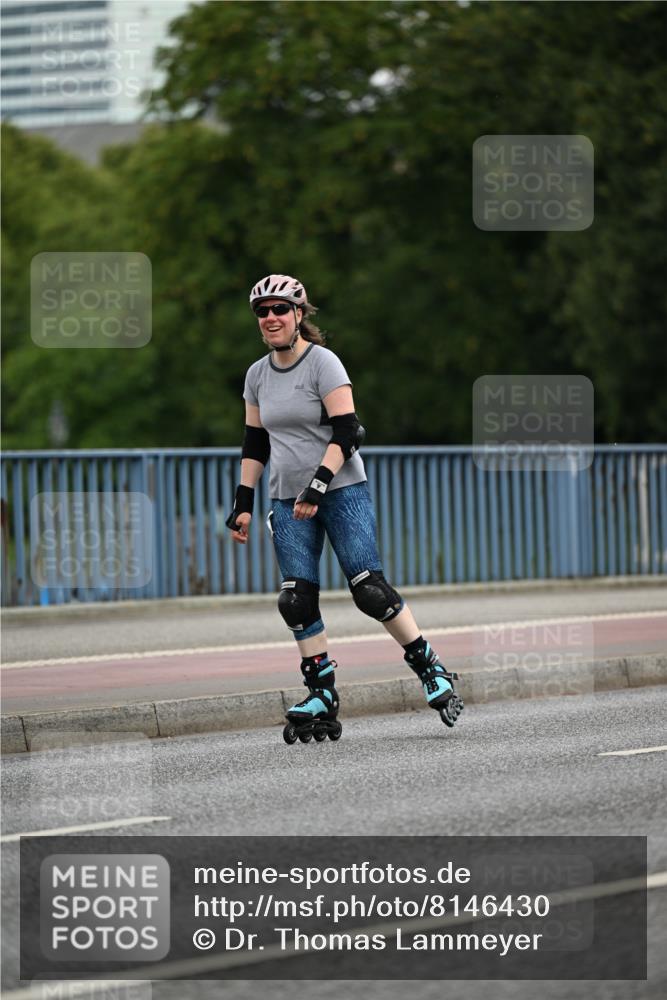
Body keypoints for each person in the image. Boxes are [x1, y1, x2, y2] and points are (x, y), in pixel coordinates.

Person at [226, 273, 463, 742]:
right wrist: (243, 502)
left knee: (368, 589)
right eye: (262, 311)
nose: (271, 317)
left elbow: (349, 431)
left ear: (298, 314)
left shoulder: (323, 363)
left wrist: (318, 485)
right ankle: (322, 693)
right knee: (295, 599)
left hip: (340, 490)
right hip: (286, 497)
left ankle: (430, 667)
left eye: (280, 309)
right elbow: (254, 442)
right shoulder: (256, 375)